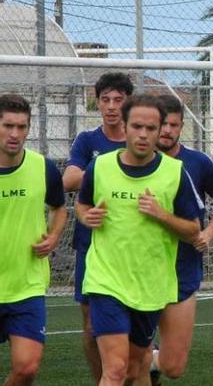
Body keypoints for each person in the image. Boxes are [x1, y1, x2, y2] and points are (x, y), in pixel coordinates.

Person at [75, 94, 202, 386]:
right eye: (137, 127)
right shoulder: (100, 167)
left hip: (150, 286)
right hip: (106, 280)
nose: (143, 135)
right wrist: (85, 216)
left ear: (160, 131)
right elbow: (82, 204)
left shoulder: (175, 174)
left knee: (137, 366)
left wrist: (162, 215)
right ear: (125, 126)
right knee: (116, 370)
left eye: (150, 128)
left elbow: (193, 230)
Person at [134, 94, 213, 386]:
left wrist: (208, 231)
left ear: (181, 127)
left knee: (174, 367)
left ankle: (150, 361)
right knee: (129, 362)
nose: (167, 131)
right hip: (140, 271)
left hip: (182, 270)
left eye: (174, 125)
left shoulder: (196, 162)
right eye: (162, 124)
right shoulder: (134, 162)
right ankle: (139, 362)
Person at [62, 72, 133, 382]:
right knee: (92, 328)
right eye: (105, 100)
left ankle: (137, 371)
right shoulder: (88, 141)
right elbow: (68, 181)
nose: (111, 106)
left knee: (137, 321)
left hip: (132, 243)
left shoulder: (141, 139)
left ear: (129, 102)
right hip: (91, 243)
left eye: (118, 100)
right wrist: (107, 165)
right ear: (98, 102)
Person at [0, 94, 66, 386]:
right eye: (7, 126)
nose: (15, 134)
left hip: (27, 286)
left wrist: (53, 237)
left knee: (27, 368)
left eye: (21, 127)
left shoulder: (43, 168)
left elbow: (59, 207)